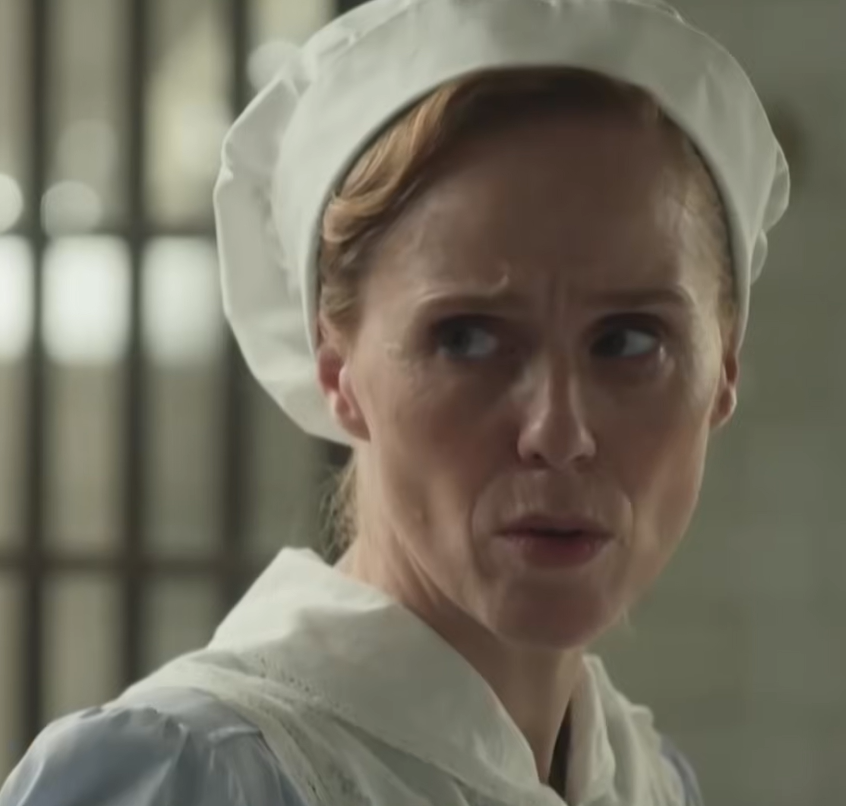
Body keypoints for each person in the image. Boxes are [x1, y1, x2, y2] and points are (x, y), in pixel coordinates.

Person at [0, 0, 789, 804]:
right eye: (468, 339)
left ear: (723, 369)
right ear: (335, 367)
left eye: (628, 341)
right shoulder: (189, 778)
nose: (558, 432)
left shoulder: (651, 781)